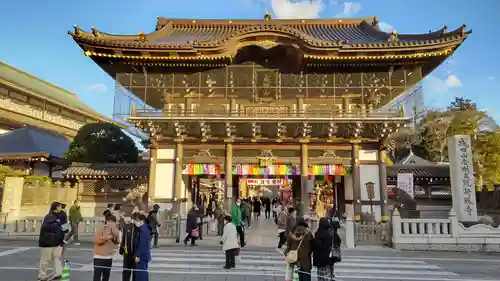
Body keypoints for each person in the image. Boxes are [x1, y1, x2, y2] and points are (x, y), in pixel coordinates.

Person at [38, 202, 65, 281]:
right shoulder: (49, 217)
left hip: (57, 241)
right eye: (60, 207)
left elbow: (65, 229)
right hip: (48, 242)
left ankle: (58, 273)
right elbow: (47, 228)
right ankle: (42, 275)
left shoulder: (61, 216)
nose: (61, 208)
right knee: (45, 259)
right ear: (56, 207)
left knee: (57, 257)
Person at [93, 214, 120, 281]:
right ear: (107, 222)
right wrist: (107, 237)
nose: (111, 223)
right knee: (97, 276)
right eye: (109, 221)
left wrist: (115, 236)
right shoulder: (101, 229)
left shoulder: (116, 231)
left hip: (109, 257)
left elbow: (117, 243)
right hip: (99, 257)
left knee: (106, 276)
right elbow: (97, 240)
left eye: (113, 222)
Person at [120, 212, 140, 281]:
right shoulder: (127, 226)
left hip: (134, 253)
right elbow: (123, 239)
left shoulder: (139, 228)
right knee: (128, 271)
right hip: (128, 253)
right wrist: (121, 250)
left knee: (134, 273)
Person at [134, 213, 151, 281]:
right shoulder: (146, 228)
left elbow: (142, 244)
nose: (136, 222)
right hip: (145, 255)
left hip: (142, 256)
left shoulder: (143, 230)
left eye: (137, 220)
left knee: (141, 275)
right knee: (143, 273)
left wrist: (138, 255)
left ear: (142, 221)